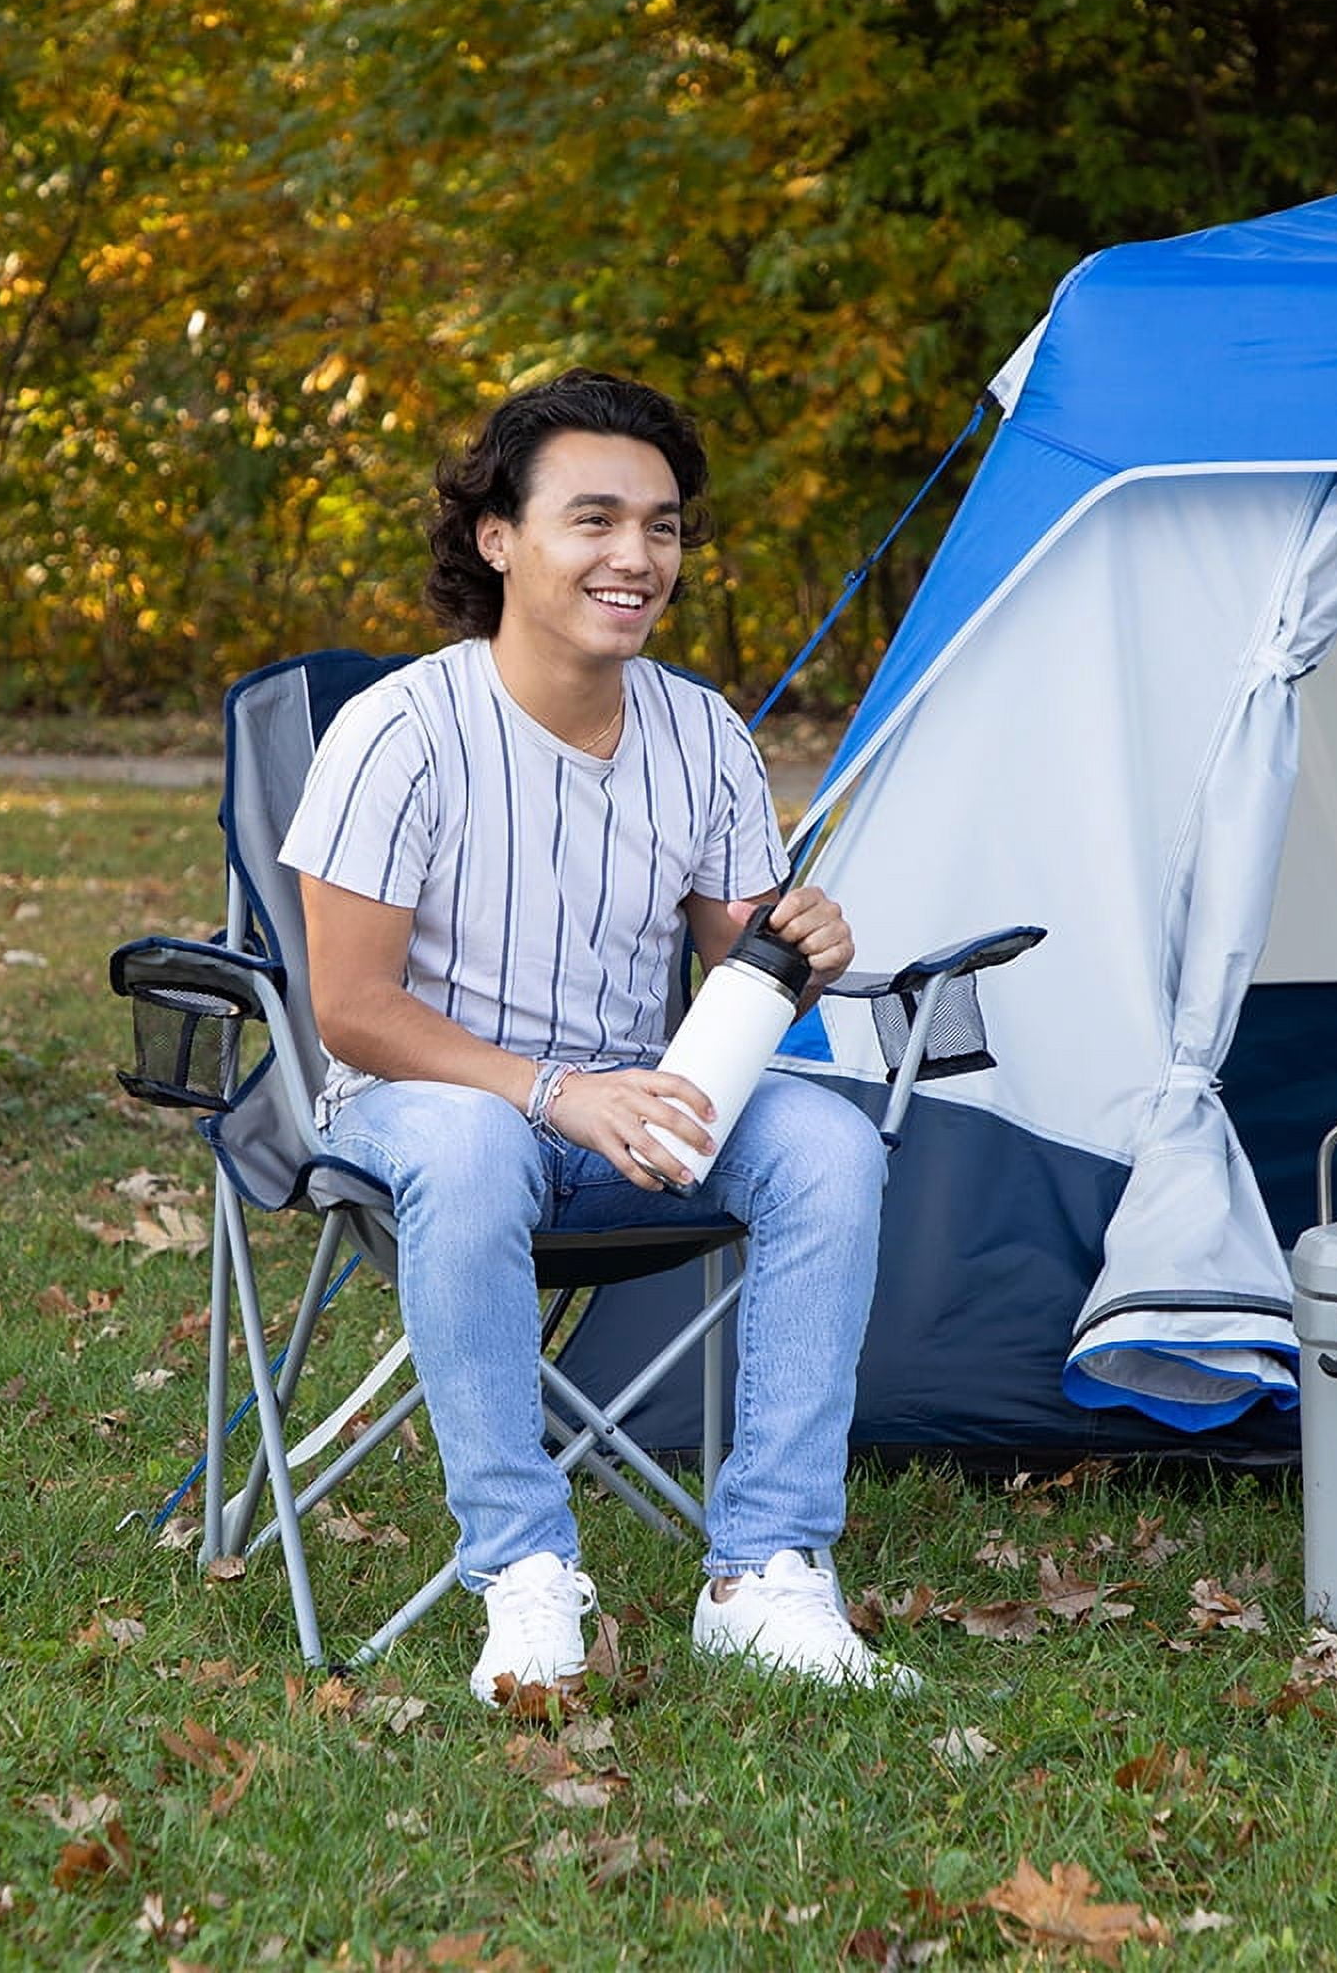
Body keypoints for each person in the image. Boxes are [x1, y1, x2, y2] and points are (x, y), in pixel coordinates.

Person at [279, 368, 913, 1701]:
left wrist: (802, 946)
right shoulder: (399, 734)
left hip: (633, 1116)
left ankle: (766, 1569)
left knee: (828, 1145)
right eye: (595, 519)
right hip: (422, 1111)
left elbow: (742, 962)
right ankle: (522, 1571)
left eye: (662, 527)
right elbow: (352, 1010)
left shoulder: (702, 732)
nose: (637, 556)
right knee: (469, 1145)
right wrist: (553, 1092)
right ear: (497, 539)